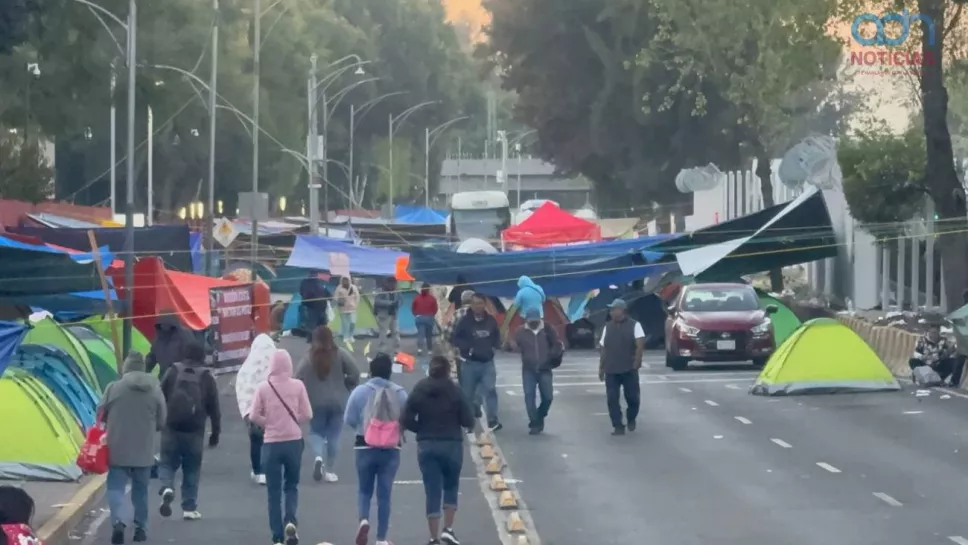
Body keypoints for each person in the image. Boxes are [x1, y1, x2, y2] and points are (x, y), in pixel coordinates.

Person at [402, 356, 475, 545]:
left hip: (427, 444)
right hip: (451, 443)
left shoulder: (420, 388)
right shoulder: (455, 390)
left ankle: (433, 538)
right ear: (447, 370)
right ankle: (448, 530)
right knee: (451, 486)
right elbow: (468, 419)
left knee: (432, 490)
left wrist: (421, 429)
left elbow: (406, 417)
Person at [99, 353, 166, 545]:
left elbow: (100, 413)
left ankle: (118, 521)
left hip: (117, 446)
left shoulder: (113, 388)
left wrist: (112, 423)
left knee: (116, 487)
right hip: (144, 448)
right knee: (141, 491)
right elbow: (162, 420)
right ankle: (140, 529)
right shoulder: (155, 389)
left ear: (126, 367)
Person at [249, 349, 313, 545]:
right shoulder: (298, 386)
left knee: (273, 492)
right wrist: (294, 423)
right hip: (293, 441)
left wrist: (268, 423)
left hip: (271, 443)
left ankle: (277, 536)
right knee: (291, 486)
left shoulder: (263, 387)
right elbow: (307, 414)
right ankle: (291, 521)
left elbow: (253, 416)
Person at [344, 354, 408, 545]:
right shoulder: (400, 393)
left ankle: (363, 519)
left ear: (370, 372)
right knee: (384, 494)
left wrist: (363, 427)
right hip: (390, 448)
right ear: (390, 372)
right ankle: (381, 539)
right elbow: (407, 418)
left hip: (364, 445)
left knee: (364, 490)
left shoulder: (359, 392)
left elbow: (349, 419)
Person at [158, 341, 221, 521]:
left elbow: (160, 395)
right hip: (195, 431)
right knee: (192, 468)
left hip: (171, 428)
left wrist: (159, 420)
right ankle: (189, 507)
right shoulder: (206, 377)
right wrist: (215, 434)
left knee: (166, 463)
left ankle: (167, 486)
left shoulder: (173, 371)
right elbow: (214, 409)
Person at [295, 326, 361, 483]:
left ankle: (318, 456)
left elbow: (297, 377)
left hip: (315, 402)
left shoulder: (308, 358)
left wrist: (303, 394)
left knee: (315, 432)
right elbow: (355, 372)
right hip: (338, 401)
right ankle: (330, 470)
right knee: (334, 436)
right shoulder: (341, 354)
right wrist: (349, 384)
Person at [451, 293, 502, 432]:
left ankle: (493, 420)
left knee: (490, 390)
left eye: (480, 303)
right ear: (471, 305)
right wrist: (467, 348)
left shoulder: (491, 320)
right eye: (475, 304)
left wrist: (494, 346)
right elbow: (455, 338)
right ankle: (469, 422)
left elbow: (497, 336)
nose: (477, 306)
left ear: (484, 304)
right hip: (469, 363)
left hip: (487, 363)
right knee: (468, 394)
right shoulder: (464, 321)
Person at [598, 299, 645, 436]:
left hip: (628, 368)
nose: (612, 312)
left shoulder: (635, 325)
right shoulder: (607, 327)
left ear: (622, 310)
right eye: (611, 310)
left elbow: (640, 344)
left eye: (614, 309)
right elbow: (603, 348)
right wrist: (601, 368)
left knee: (632, 398)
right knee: (612, 398)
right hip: (611, 368)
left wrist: (637, 361)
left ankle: (631, 417)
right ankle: (617, 424)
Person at [512, 309, 562, 434]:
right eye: (531, 321)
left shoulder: (548, 329)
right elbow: (512, 346)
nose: (534, 323)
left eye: (536, 321)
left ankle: (540, 416)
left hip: (545, 368)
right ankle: (534, 423)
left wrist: (552, 357)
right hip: (529, 369)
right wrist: (509, 345)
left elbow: (557, 344)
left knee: (548, 397)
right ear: (526, 320)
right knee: (529, 396)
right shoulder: (520, 331)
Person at [910, 322, 964, 386]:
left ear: (939, 333)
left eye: (935, 333)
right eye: (931, 332)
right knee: (912, 361)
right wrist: (923, 357)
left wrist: (950, 351)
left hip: (938, 364)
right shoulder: (922, 340)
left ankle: (951, 381)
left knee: (954, 361)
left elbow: (950, 351)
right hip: (925, 364)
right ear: (928, 332)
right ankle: (923, 377)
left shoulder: (943, 340)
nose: (933, 335)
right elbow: (916, 353)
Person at [146, 313, 193, 377]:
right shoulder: (159, 337)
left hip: (181, 377)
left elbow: (192, 357)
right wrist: (141, 370)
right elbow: (152, 356)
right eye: (162, 325)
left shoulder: (184, 335)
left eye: (166, 325)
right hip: (164, 376)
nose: (164, 326)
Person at [372, 277, 401, 353]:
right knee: (383, 333)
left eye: (394, 283)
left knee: (396, 332)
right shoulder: (381, 291)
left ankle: (397, 348)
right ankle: (381, 349)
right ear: (387, 283)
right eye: (391, 283)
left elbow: (401, 300)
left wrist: (397, 304)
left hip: (394, 315)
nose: (392, 285)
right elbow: (377, 301)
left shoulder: (397, 291)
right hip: (384, 315)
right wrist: (389, 303)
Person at [412, 282, 439, 356]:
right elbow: (435, 309)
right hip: (429, 318)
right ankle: (429, 350)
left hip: (419, 318)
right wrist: (431, 315)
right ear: (428, 289)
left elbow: (413, 308)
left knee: (421, 334)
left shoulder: (417, 297)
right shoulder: (432, 298)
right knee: (429, 335)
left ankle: (420, 349)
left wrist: (416, 315)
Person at [334, 276, 361, 342]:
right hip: (343, 308)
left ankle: (351, 335)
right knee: (345, 323)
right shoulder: (339, 288)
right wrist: (335, 304)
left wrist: (356, 305)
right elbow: (335, 297)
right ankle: (345, 336)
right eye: (344, 280)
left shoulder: (353, 287)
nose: (345, 281)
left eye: (346, 280)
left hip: (352, 308)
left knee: (353, 322)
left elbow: (357, 297)